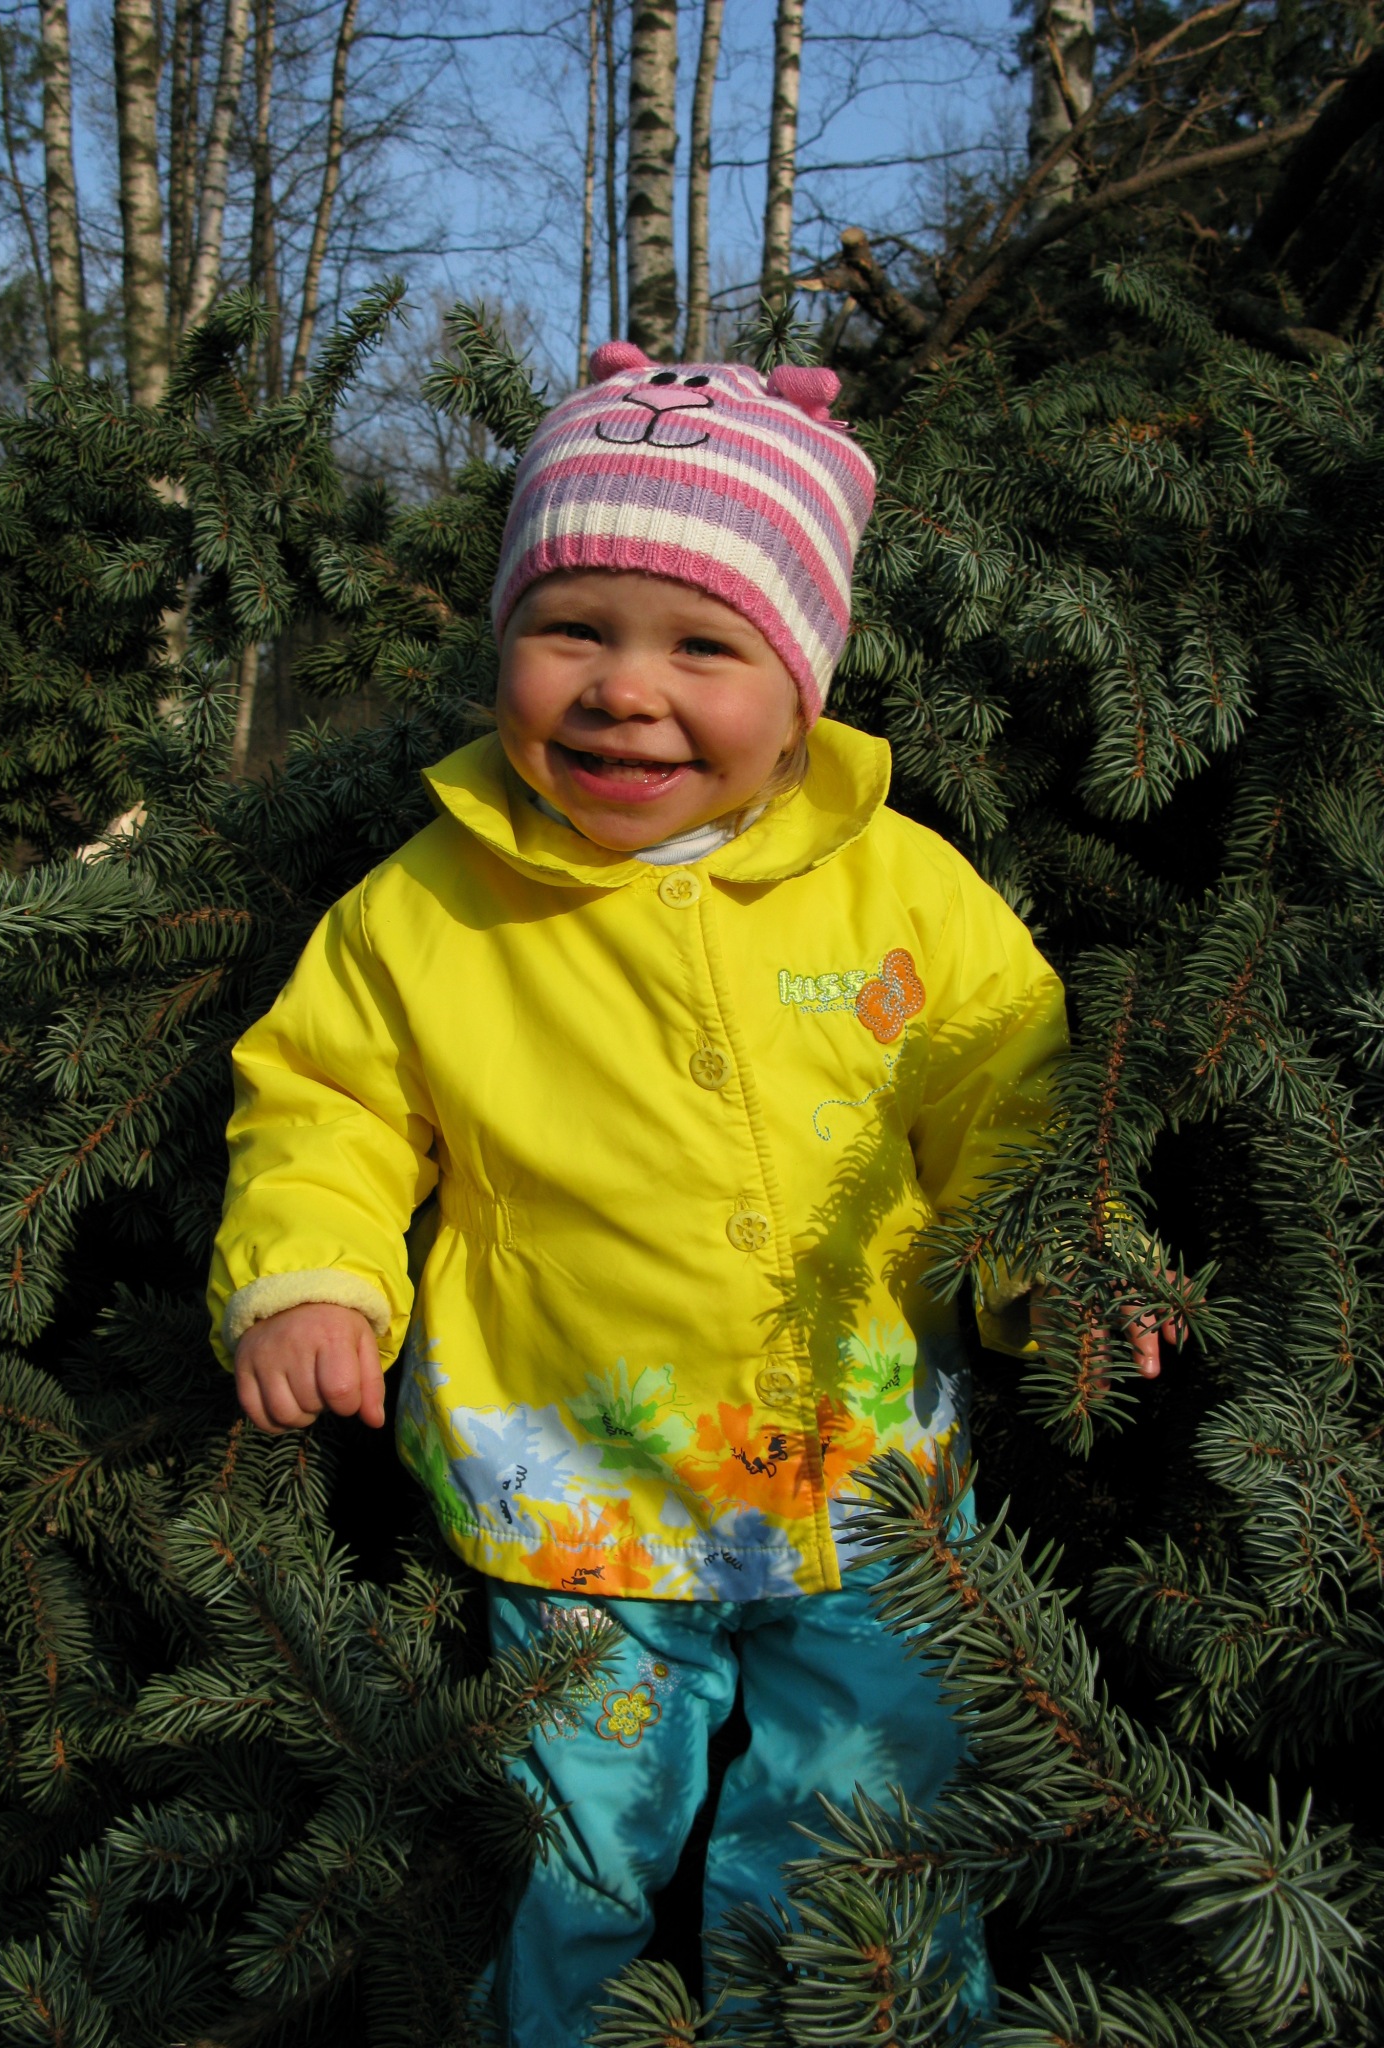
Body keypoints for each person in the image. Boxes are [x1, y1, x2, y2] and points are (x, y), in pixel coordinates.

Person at [207, 342, 1178, 2043]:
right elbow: (327, 1103)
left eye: (702, 646)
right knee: (573, 1834)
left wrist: (1063, 1266)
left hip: (865, 1474)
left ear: (802, 683)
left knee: (872, 1802)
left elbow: (1011, 1097)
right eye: (571, 630)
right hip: (577, 1475)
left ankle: (858, 2020)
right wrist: (310, 1277)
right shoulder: (429, 904)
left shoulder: (901, 888)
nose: (622, 691)